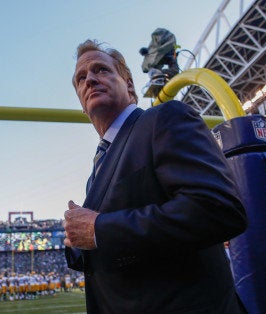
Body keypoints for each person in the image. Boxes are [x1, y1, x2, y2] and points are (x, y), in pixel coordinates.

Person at [64, 39, 248, 313]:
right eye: (81, 78)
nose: (90, 79)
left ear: (129, 85)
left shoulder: (163, 118)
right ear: (81, 102)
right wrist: (78, 244)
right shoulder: (98, 165)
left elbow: (217, 208)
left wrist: (99, 229)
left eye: (101, 70)